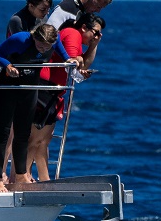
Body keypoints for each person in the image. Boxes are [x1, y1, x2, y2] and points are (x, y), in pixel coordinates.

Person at [26, 11, 105, 182]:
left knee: (44, 140)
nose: (98, 36)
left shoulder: (76, 36)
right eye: (96, 32)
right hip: (47, 87)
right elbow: (74, 64)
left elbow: (79, 63)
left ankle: (44, 178)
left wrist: (93, 45)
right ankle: (23, 176)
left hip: (51, 88)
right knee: (37, 137)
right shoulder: (72, 34)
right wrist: (80, 64)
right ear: (84, 27)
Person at [0, 23, 63, 192]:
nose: (43, 50)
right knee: (3, 134)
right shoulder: (21, 39)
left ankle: (21, 175)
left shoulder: (53, 41)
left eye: (47, 47)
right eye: (40, 45)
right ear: (35, 38)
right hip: (6, 90)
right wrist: (7, 66)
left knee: (23, 134)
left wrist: (70, 60)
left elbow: (61, 50)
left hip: (29, 91)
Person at [47, 0, 113, 29]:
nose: (98, 11)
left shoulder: (83, 14)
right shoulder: (66, 8)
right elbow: (46, 38)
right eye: (98, 6)